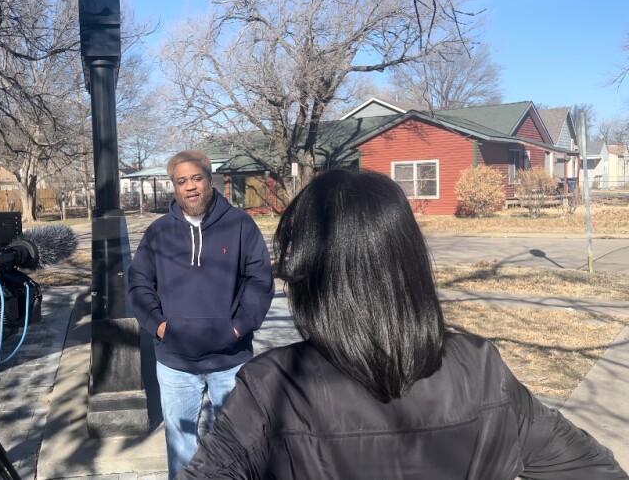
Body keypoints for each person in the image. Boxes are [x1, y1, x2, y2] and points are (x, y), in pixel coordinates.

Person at [177, 168, 627, 479]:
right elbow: (596, 469)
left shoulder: (273, 387)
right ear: (408, 259)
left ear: (311, 273)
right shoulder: (482, 369)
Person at [128, 150, 274, 479]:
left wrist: (237, 329)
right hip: (176, 364)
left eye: (196, 178)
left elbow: (260, 280)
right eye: (181, 181)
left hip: (231, 361)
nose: (190, 187)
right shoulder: (158, 233)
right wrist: (161, 327)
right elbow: (138, 285)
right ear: (173, 187)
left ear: (209, 180)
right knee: (181, 446)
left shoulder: (240, 225)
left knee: (240, 444)